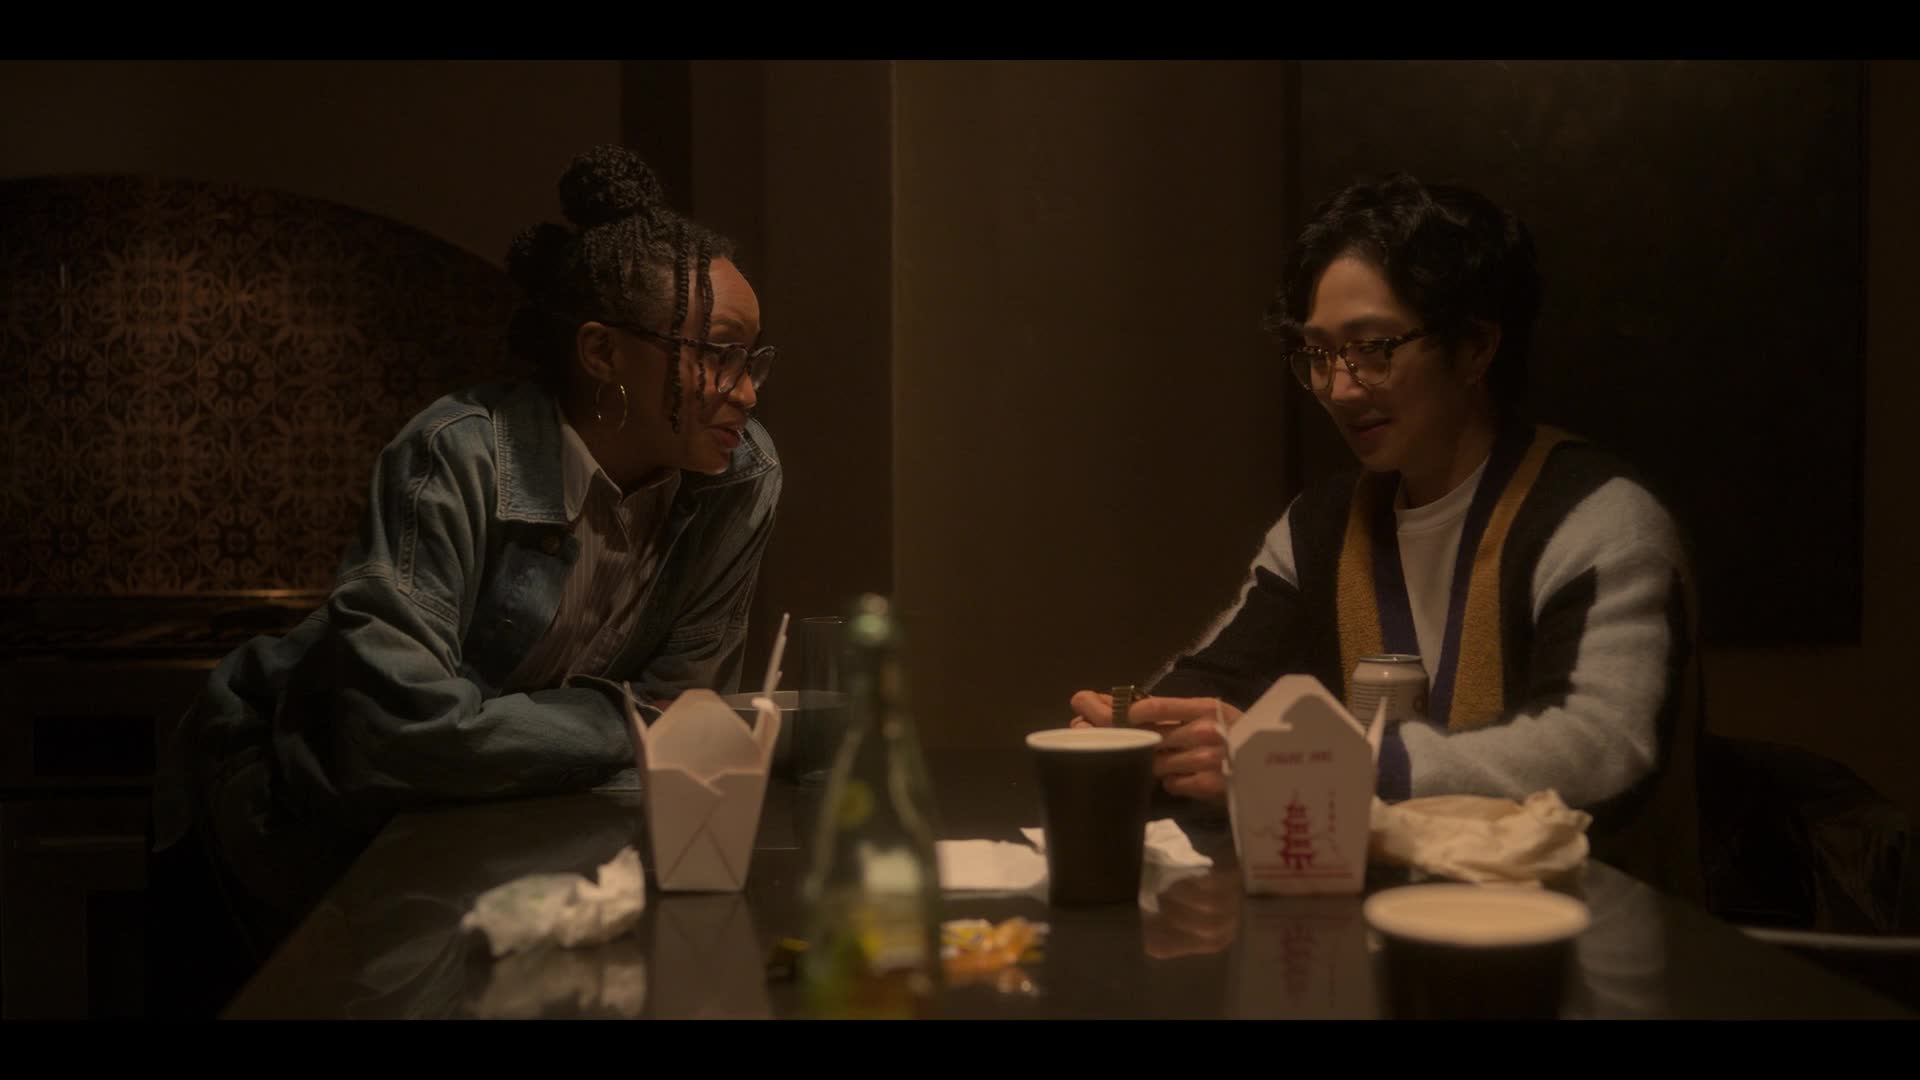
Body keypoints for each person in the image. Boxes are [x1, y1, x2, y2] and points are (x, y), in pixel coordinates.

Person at [153, 145, 784, 968]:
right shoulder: (458, 454)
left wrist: (572, 730)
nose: (748, 393)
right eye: (719, 355)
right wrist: (626, 721)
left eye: (753, 360)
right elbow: (397, 734)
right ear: (602, 354)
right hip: (291, 810)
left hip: (482, 822)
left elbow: (686, 722)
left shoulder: (739, 477)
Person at [1070, 174, 1701, 896]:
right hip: (1384, 923)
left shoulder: (1597, 517)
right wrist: (1137, 733)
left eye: (1372, 348)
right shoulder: (1322, 525)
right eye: (1317, 354)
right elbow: (1220, 678)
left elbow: (1603, 750)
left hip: (1587, 934)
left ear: (1476, 347)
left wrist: (1313, 767)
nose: (1340, 388)